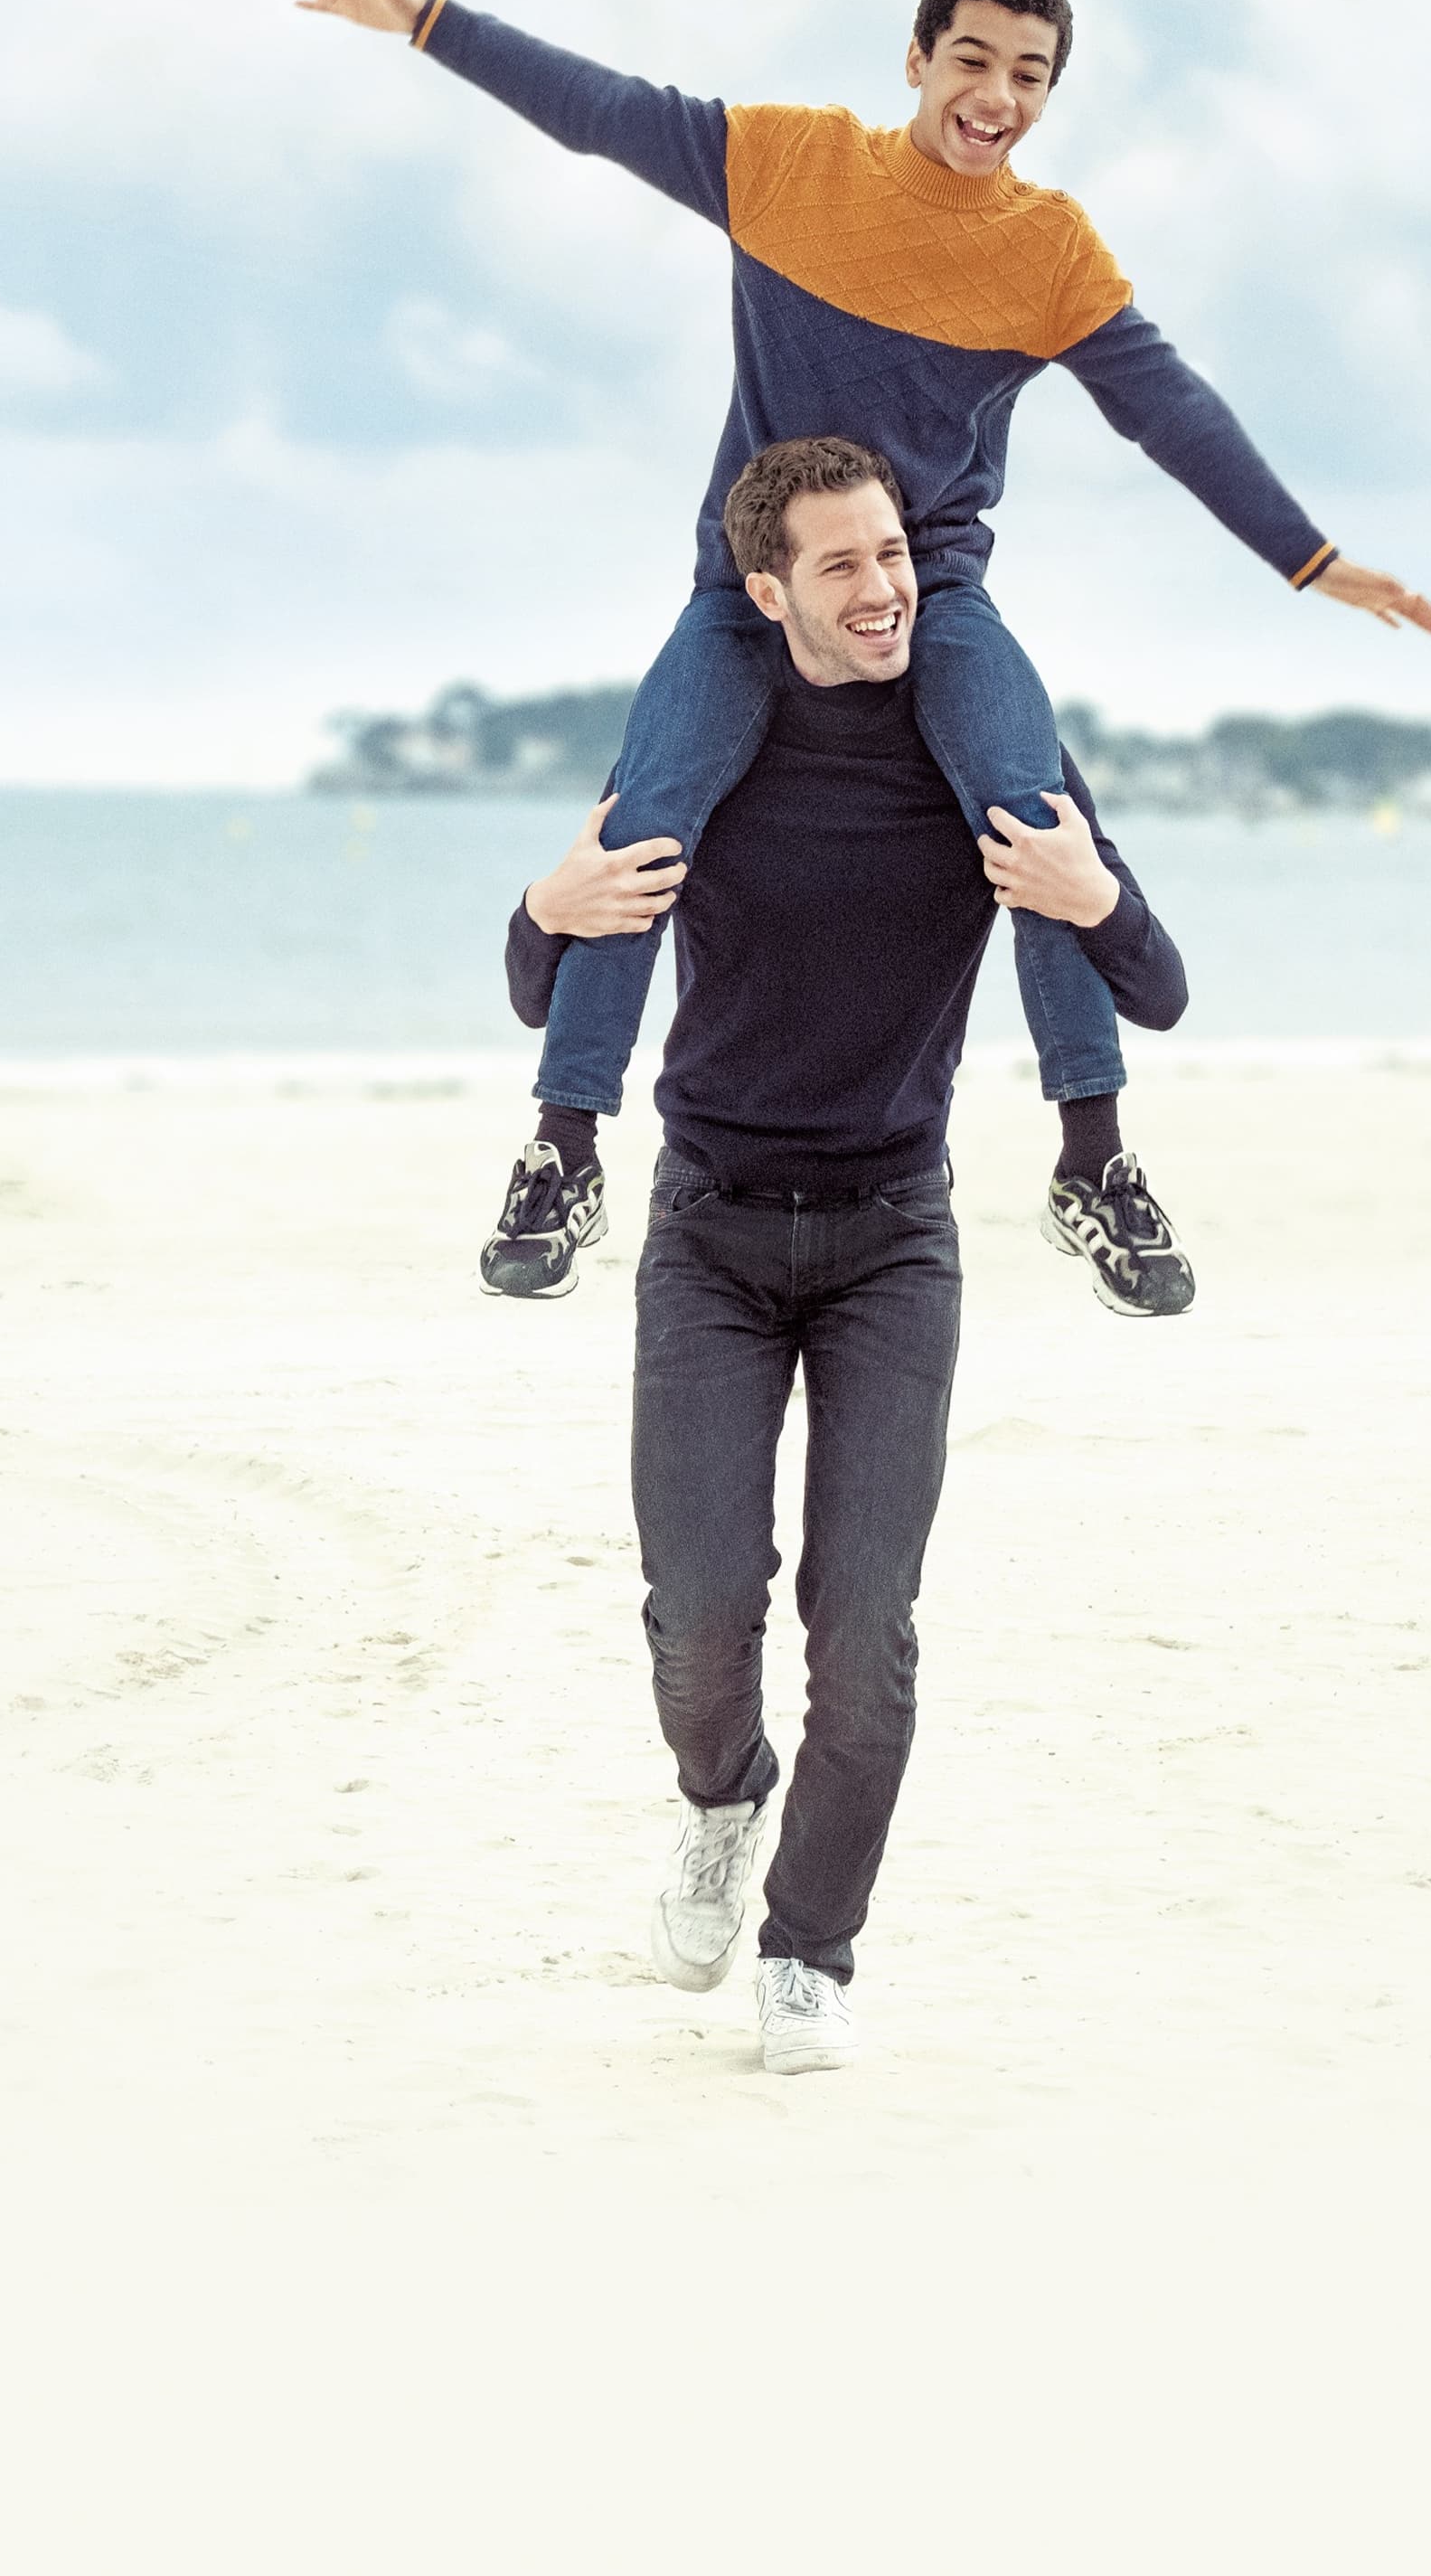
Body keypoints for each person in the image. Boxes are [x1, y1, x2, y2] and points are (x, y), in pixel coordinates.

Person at [271, 0, 1431, 1317]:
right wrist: (424, 20)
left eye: (1030, 75)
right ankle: (564, 1147)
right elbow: (599, 111)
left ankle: (1093, 1160)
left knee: (1035, 824)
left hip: (930, 585)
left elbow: (1167, 409)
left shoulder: (1049, 250)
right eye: (974, 59)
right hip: (748, 590)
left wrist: (1310, 560)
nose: (997, 96)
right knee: (642, 825)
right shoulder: (791, 165)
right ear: (917, 60)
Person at [504, 436, 1189, 2070]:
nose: (884, 588)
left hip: (893, 1241)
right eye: (843, 566)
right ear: (769, 593)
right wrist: (542, 900)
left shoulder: (983, 754)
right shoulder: (710, 748)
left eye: (895, 554)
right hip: (712, 1233)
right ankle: (721, 1799)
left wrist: (1097, 896)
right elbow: (544, 979)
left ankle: (811, 1949)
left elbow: (1156, 988)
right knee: (697, 1619)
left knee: (865, 1636)